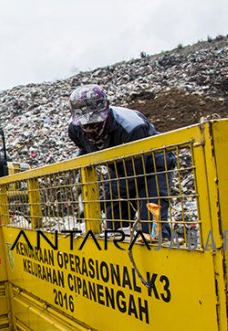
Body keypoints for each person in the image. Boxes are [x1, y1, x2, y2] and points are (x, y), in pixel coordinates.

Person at [67, 84, 173, 238]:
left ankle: (161, 253)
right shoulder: (74, 129)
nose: (90, 130)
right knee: (114, 228)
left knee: (152, 228)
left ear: (106, 111)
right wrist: (80, 177)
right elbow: (85, 150)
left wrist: (101, 201)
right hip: (118, 167)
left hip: (152, 167)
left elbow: (133, 175)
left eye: (95, 124)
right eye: (86, 125)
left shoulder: (131, 128)